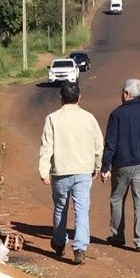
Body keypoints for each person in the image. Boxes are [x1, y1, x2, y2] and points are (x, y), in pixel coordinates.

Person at [39, 81, 103, 264]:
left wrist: (44, 170)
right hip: (83, 171)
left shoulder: (53, 118)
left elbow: (46, 146)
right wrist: (97, 166)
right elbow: (98, 145)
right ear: (79, 98)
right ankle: (80, 248)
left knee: (60, 208)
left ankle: (59, 243)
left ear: (61, 98)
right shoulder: (89, 118)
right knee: (82, 210)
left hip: (60, 171)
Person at [101, 78, 140, 252]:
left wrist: (105, 166)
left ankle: (117, 236)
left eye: (122, 92)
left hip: (121, 165)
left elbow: (110, 143)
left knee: (117, 199)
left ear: (127, 94)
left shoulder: (117, 114)